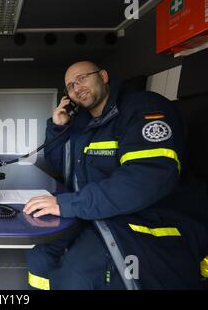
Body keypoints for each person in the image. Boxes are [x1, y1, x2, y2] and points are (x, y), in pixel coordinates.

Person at [23, 61, 208, 290]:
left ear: (103, 75)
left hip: (147, 218)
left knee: (76, 273)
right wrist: (59, 127)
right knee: (40, 258)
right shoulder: (82, 122)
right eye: (70, 86)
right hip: (95, 211)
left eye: (82, 78)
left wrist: (70, 204)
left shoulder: (144, 109)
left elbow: (145, 179)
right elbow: (61, 164)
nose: (77, 87)